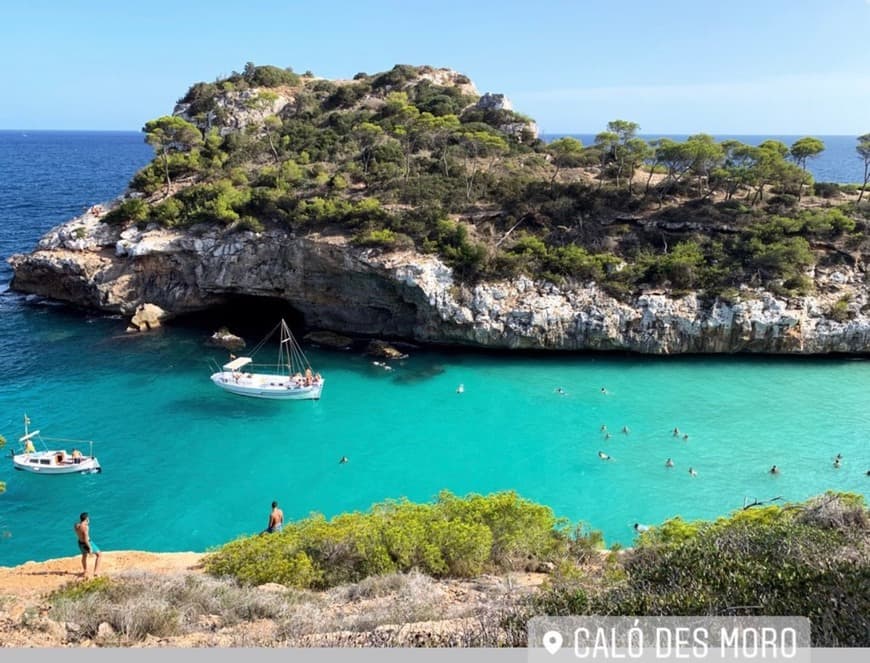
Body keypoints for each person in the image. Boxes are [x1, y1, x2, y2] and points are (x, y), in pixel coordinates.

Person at [73, 512, 101, 578]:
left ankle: (85, 571)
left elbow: (78, 532)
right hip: (87, 543)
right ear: (87, 519)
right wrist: (90, 548)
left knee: (84, 556)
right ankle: (96, 572)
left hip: (80, 543)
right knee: (99, 555)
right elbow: (86, 539)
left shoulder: (76, 525)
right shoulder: (86, 527)